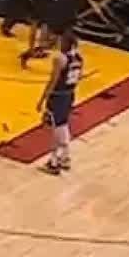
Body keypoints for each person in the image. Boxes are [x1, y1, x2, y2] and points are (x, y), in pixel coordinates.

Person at [36, 29, 83, 175]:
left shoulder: (60, 59)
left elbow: (53, 80)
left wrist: (43, 98)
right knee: (62, 125)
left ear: (65, 44)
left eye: (61, 41)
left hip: (58, 96)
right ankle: (65, 158)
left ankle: (54, 162)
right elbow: (79, 77)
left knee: (57, 128)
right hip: (69, 94)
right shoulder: (79, 59)